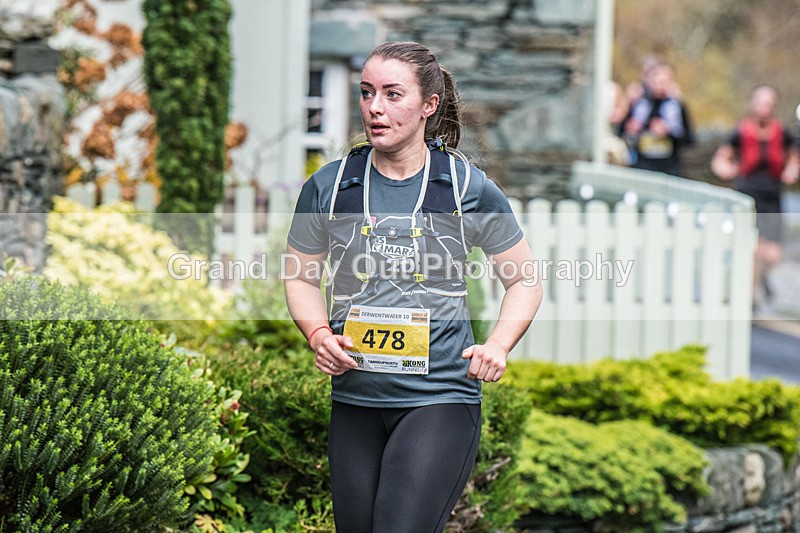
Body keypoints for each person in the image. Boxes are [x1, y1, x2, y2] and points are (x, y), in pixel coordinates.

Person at [284, 41, 541, 532]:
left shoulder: (466, 188)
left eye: (392, 94)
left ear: (429, 105)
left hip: (439, 400)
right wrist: (318, 335)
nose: (375, 107)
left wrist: (499, 345)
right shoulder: (331, 186)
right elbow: (300, 276)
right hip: (355, 401)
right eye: (366, 93)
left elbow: (525, 280)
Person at [711, 84, 800, 305]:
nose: (764, 108)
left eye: (769, 103)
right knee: (752, 248)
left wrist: (791, 171)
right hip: (747, 196)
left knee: (772, 253)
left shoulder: (782, 133)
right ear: (752, 104)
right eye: (761, 102)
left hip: (772, 197)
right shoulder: (741, 132)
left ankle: (760, 281)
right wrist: (726, 170)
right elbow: (721, 159)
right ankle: (749, 299)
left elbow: (793, 158)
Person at [620, 61, 693, 175]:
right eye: (657, 81)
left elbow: (689, 139)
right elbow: (622, 131)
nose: (660, 86)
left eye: (664, 82)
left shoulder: (676, 106)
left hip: (669, 170)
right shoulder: (639, 104)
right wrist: (632, 128)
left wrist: (668, 132)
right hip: (641, 168)